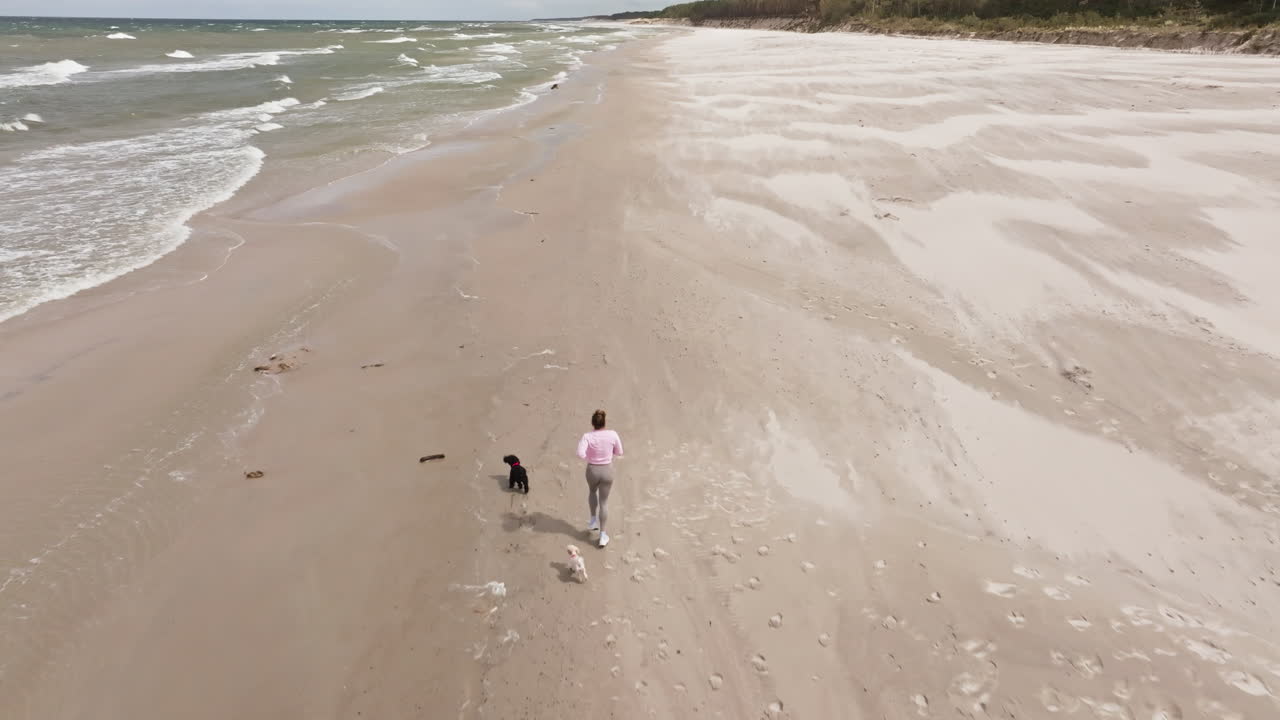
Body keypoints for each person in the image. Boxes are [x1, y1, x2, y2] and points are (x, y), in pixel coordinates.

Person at [577, 409, 623, 548]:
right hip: (607, 470)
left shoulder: (587, 436)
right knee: (604, 502)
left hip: (592, 470)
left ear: (593, 423)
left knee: (592, 492)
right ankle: (603, 535)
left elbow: (580, 453)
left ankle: (592, 521)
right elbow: (619, 452)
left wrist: (590, 458)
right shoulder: (613, 434)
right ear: (604, 422)